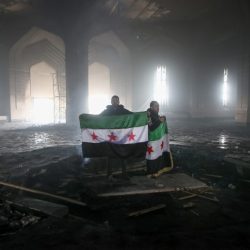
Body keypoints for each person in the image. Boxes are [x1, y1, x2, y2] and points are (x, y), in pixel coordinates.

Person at [100, 95, 132, 180]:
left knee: (123, 155)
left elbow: (133, 115)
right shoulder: (106, 111)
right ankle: (109, 174)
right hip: (110, 137)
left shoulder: (123, 110)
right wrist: (86, 118)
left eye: (116, 100)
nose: (115, 102)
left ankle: (124, 174)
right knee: (110, 155)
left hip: (121, 137)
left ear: (119, 101)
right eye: (113, 100)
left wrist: (144, 115)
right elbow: (98, 118)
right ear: (111, 102)